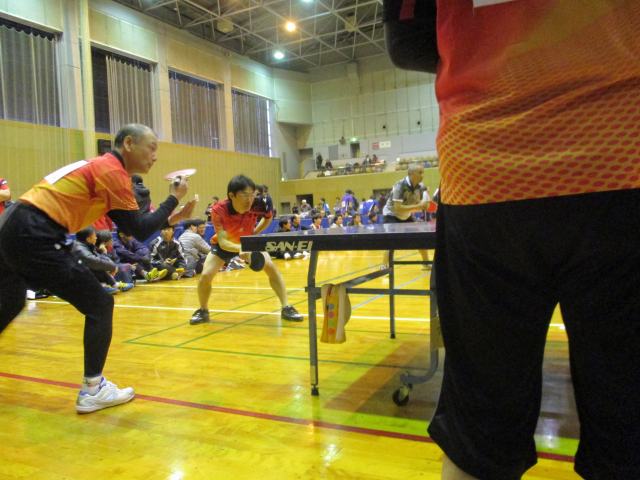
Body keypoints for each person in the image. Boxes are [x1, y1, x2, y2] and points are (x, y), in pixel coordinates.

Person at [385, 2, 640, 479]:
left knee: (480, 431)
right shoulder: (403, 187)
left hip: (488, 171)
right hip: (622, 155)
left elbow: (408, 42)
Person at [0, 123, 196, 413]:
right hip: (37, 231)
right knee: (101, 304)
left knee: (10, 300)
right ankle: (93, 389)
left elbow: (132, 225)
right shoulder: (113, 172)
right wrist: (173, 198)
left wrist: (171, 218)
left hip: (12, 225)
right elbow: (139, 229)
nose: (155, 156)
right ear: (128, 143)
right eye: (151, 148)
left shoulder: (103, 168)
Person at [190, 175, 303, 325]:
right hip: (226, 245)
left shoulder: (258, 204)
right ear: (231, 195)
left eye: (252, 194)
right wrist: (241, 248)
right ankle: (203, 310)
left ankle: (286, 307)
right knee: (205, 275)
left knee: (271, 268)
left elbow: (268, 217)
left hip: (249, 242)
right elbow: (223, 242)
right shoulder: (219, 210)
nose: (249, 200)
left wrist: (255, 233)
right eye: (244, 195)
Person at [382, 163, 431, 266]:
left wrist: (425, 203)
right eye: (420, 173)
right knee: (391, 241)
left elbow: (423, 206)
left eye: (423, 172)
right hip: (391, 214)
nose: (422, 175)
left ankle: (426, 263)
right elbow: (397, 207)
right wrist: (419, 206)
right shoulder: (400, 186)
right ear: (411, 174)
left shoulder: (421, 187)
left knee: (419, 238)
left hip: (406, 215)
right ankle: (384, 266)